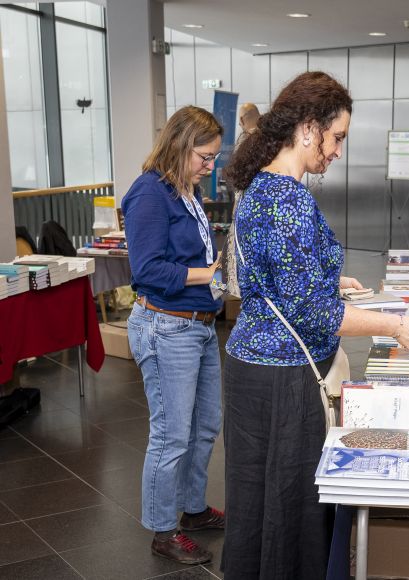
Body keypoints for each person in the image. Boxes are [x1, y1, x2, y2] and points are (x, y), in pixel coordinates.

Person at [221, 71, 409, 579]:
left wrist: (327, 283)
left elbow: (271, 280)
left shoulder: (261, 188)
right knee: (292, 507)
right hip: (284, 380)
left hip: (252, 368)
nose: (337, 151)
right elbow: (311, 314)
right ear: (308, 128)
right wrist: (396, 327)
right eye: (337, 137)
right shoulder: (289, 200)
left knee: (255, 500)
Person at [122, 106, 226, 565]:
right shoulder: (149, 193)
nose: (210, 166)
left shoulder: (187, 191)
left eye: (213, 158)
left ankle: (193, 508)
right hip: (166, 326)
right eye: (205, 156)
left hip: (198, 326)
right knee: (171, 436)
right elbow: (146, 270)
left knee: (204, 426)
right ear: (181, 145)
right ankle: (164, 531)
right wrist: (206, 276)